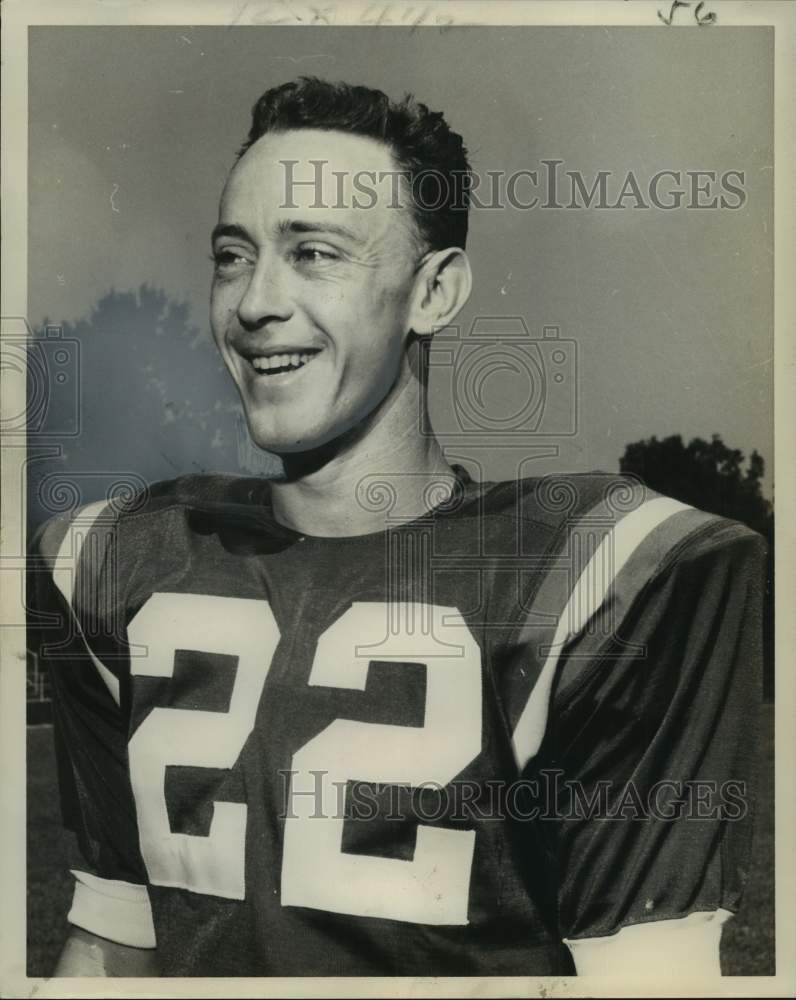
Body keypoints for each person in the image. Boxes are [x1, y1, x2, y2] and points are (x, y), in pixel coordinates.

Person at [29, 77, 765, 978]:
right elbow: (112, 944)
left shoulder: (598, 574)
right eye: (233, 255)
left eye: (315, 254)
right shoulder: (117, 560)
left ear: (435, 292)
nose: (255, 301)